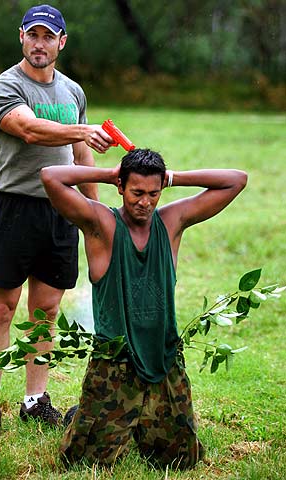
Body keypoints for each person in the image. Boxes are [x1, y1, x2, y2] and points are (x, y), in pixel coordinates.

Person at [40, 148, 248, 469]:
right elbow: (51, 177)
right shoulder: (101, 224)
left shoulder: (171, 221)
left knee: (181, 460)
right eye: (136, 192)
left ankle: (136, 423)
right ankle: (84, 416)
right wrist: (109, 173)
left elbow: (236, 180)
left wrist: (173, 178)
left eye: (153, 193)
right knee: (84, 461)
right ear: (121, 187)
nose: (145, 202)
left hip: (163, 358)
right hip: (114, 364)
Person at [0, 4, 113, 438]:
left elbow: (81, 155)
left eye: (48, 37)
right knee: (3, 308)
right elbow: (29, 128)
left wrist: (96, 211)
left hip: (61, 211)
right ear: (21, 38)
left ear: (61, 42)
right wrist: (82, 132)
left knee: (46, 311)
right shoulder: (4, 87)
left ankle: (36, 401)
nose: (39, 44)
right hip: (14, 206)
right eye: (33, 35)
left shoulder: (72, 92)